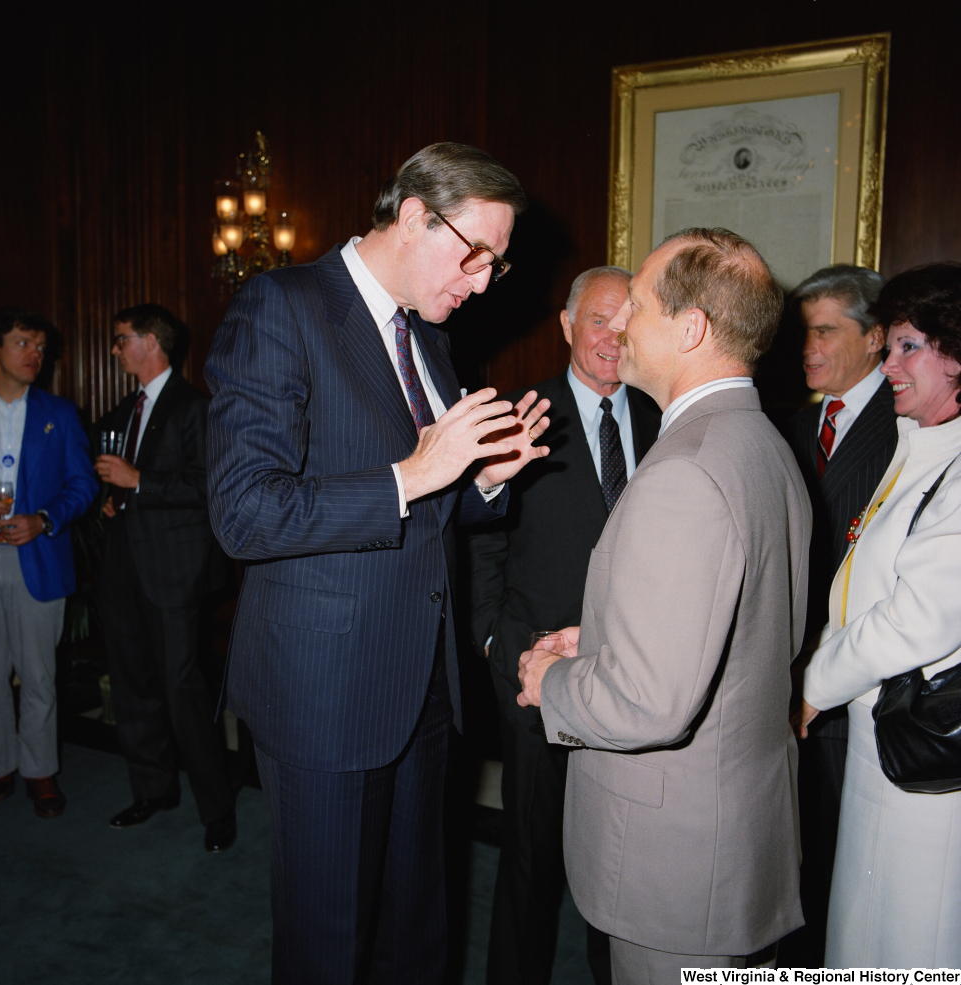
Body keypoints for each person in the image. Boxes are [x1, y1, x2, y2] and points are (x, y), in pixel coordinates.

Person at [204, 143, 551, 984]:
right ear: (411, 215)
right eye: (477, 255)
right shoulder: (282, 306)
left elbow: (425, 509)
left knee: (417, 933)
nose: (479, 283)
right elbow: (244, 514)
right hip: (324, 694)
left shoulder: (426, 337)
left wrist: (486, 484)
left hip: (423, 682)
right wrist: (415, 474)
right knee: (331, 945)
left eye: (495, 269)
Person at [518, 228, 810, 983]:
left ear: (691, 330)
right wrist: (607, 634)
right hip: (733, 839)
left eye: (637, 306)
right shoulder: (763, 444)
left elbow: (648, 704)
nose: (617, 326)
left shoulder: (686, 469)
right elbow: (749, 632)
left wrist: (546, 677)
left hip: (675, 865)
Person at [468, 265, 660, 985]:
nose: (613, 337)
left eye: (626, 321)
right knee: (531, 855)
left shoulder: (661, 415)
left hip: (634, 672)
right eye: (598, 320)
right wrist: (494, 640)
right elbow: (478, 539)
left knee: (621, 855)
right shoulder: (520, 416)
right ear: (567, 325)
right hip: (534, 671)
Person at [797, 262, 961, 969]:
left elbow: (918, 617)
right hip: (874, 726)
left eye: (908, 347)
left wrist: (813, 683)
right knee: (863, 925)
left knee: (911, 935)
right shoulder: (919, 444)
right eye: (889, 347)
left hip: (921, 741)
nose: (888, 364)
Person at [781, 264, 897, 966]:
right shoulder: (795, 422)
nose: (808, 347)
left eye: (825, 331)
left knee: (849, 868)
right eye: (804, 332)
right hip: (792, 671)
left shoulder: (911, 423)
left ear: (876, 337)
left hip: (864, 678)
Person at [96, 304, 236, 853]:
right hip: (124, 568)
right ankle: (154, 791)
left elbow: (209, 486)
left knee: (184, 692)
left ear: (151, 342)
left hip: (174, 573)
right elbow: (126, 488)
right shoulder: (122, 412)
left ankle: (217, 809)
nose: (114, 349)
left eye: (120, 339)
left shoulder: (194, 408)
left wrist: (140, 482)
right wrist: (116, 503)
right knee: (133, 688)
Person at [0, 308, 97, 821]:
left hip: (38, 557)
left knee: (39, 676)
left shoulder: (59, 414)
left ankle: (39, 770)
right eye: (22, 344)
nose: (34, 355)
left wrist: (43, 519)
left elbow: (83, 486)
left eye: (39, 347)